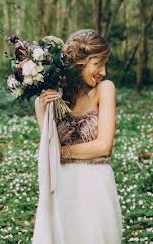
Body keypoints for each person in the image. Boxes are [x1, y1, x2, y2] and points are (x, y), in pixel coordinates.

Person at [33, 28, 123, 244]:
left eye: (104, 64)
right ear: (80, 64)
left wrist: (62, 152)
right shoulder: (55, 97)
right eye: (98, 64)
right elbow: (46, 147)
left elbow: (103, 146)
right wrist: (42, 107)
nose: (103, 71)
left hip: (95, 183)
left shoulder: (105, 90)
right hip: (62, 185)